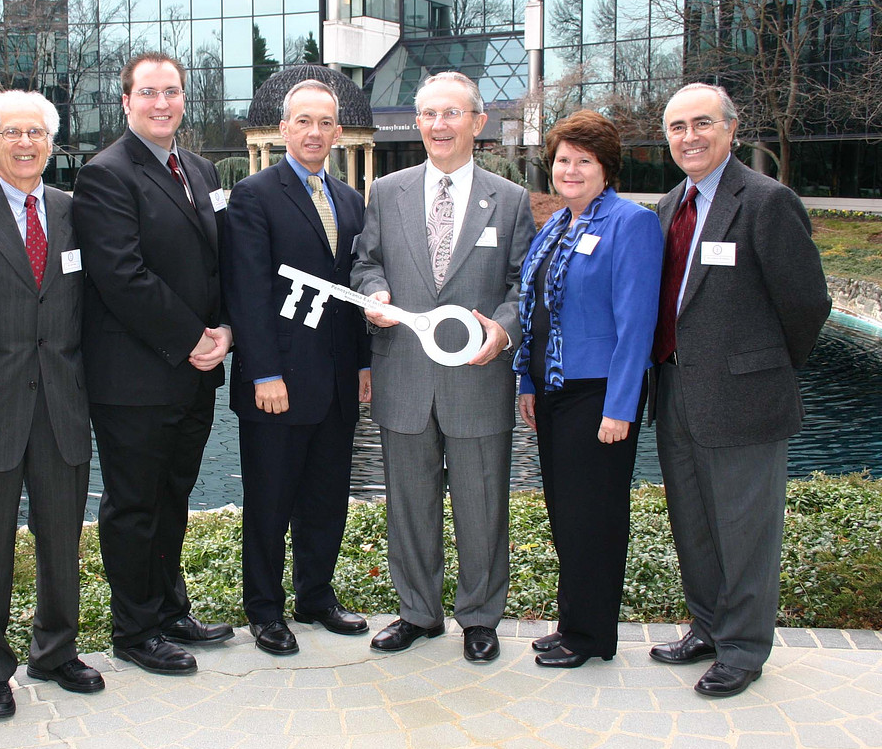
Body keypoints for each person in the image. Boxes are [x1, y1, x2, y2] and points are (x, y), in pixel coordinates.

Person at [649, 83, 830, 697]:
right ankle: (706, 627)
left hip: (745, 399)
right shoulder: (673, 202)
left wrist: (768, 369)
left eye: (702, 123)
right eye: (677, 127)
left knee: (745, 531)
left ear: (730, 128)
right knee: (693, 523)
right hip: (674, 390)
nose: (689, 137)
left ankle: (744, 649)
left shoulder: (766, 201)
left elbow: (806, 303)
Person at [351, 71, 534, 663]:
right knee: (408, 502)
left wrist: (503, 329)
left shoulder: (508, 201)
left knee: (482, 503)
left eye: (451, 113)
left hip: (478, 376)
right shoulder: (387, 192)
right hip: (404, 372)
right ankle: (417, 613)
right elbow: (366, 264)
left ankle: (480, 617)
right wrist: (374, 296)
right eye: (429, 114)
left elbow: (522, 286)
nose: (438, 125)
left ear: (477, 124)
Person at [0, 90, 102, 720]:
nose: (26, 143)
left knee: (62, 537)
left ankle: (55, 650)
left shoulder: (71, 210)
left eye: (36, 132)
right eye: (12, 133)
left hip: (62, 403)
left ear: (51, 143)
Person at [70, 52, 234, 676]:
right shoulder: (106, 174)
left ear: (184, 97)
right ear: (126, 101)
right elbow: (121, 274)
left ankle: (170, 610)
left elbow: (216, 262)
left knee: (174, 498)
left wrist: (224, 328)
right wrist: (191, 335)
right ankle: (134, 630)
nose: (161, 102)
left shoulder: (197, 168)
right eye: (148, 92)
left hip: (193, 369)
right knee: (133, 505)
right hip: (136, 376)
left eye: (172, 90)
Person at [223, 79, 372, 656]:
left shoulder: (351, 201)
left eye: (325, 122)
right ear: (284, 129)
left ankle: (316, 596)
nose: (315, 132)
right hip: (277, 383)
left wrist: (361, 364)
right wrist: (263, 374)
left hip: (336, 383)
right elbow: (249, 292)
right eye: (303, 121)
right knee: (269, 501)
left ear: (338, 131)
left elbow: (354, 293)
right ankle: (264, 610)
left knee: (326, 497)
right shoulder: (255, 195)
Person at [513, 110, 663, 668]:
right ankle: (573, 622)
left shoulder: (631, 223)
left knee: (594, 519)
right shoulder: (556, 225)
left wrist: (620, 407)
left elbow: (637, 325)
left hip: (599, 394)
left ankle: (592, 638)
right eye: (562, 160)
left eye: (584, 160)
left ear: (606, 167)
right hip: (554, 391)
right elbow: (536, 314)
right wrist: (527, 381)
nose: (570, 170)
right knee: (566, 514)